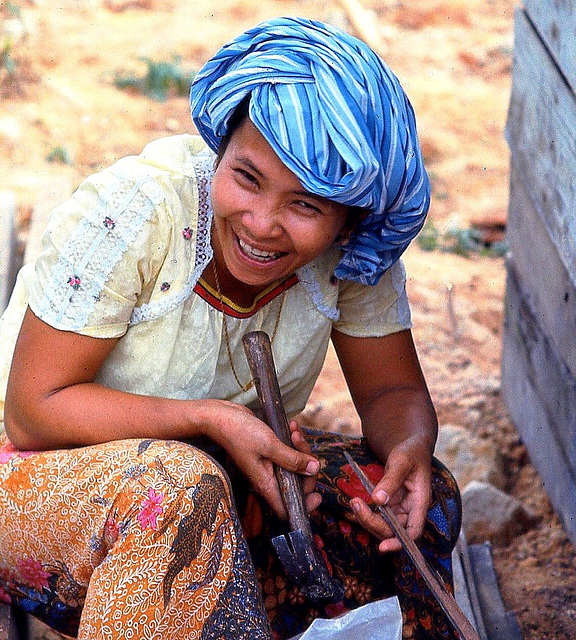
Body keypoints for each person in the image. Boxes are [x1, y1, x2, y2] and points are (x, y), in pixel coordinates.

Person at [0, 16, 461, 640]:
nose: (263, 222)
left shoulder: (354, 257)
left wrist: (408, 450)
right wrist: (210, 418)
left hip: (202, 481)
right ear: (221, 149)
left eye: (306, 205)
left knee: (412, 504)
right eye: (246, 177)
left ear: (349, 222)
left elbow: (391, 395)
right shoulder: (136, 213)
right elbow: (32, 411)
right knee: (179, 493)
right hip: (27, 476)